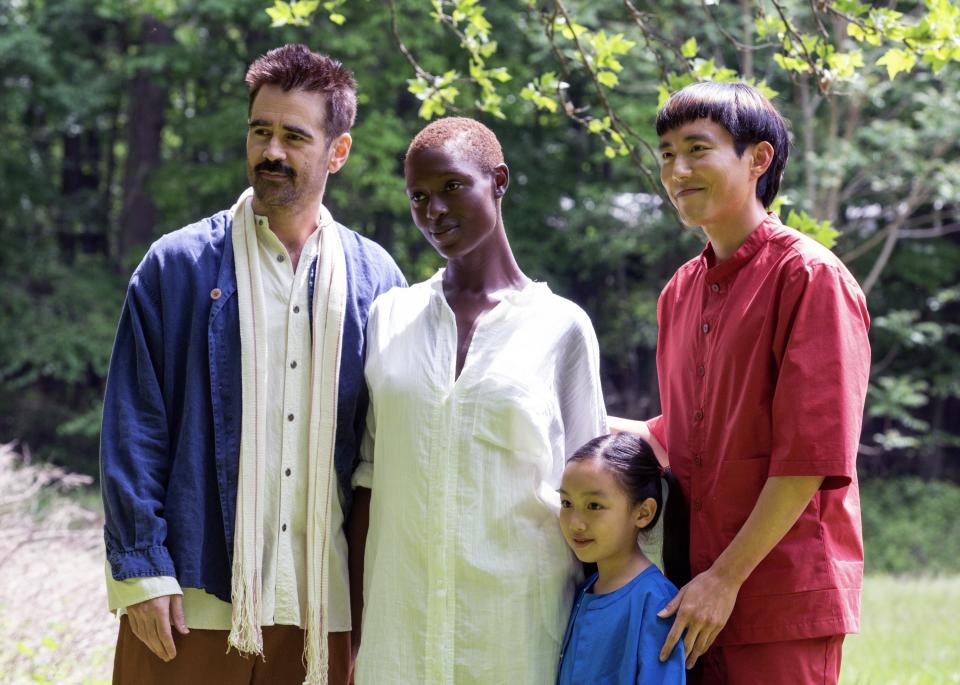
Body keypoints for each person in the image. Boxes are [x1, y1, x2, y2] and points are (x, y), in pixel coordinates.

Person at [99, 44, 405, 685]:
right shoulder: (176, 266)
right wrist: (142, 571)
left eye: (295, 136)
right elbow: (134, 429)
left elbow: (391, 449)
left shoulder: (377, 280)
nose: (272, 152)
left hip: (325, 611)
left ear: (337, 152)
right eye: (260, 131)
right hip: (191, 600)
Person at [612, 81, 870, 684]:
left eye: (698, 149)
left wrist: (725, 579)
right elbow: (683, 436)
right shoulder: (679, 291)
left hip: (777, 599)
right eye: (667, 153)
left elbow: (809, 457)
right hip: (687, 597)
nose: (677, 169)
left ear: (759, 159)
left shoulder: (809, 277)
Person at [348, 117, 607, 684]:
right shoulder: (388, 318)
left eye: (451, 187)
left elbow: (595, 493)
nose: (434, 210)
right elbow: (368, 483)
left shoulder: (561, 328)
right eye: (418, 196)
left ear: (499, 181)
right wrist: (356, 633)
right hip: (400, 638)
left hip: (517, 635)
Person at [556, 433, 688, 685]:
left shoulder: (656, 601)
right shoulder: (585, 587)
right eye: (566, 502)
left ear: (643, 513)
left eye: (594, 506)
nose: (575, 523)